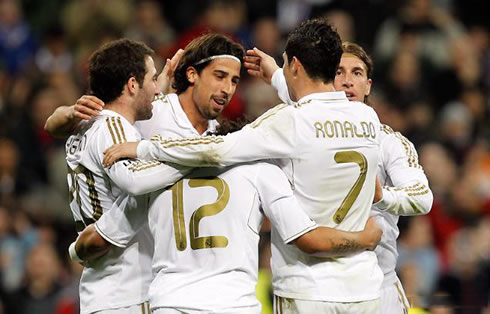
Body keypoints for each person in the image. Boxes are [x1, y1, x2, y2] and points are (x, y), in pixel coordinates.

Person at [102, 19, 384, 313]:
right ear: (191, 74)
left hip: (302, 288)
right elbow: (316, 113)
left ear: (296, 65)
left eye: (234, 80)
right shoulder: (368, 119)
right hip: (362, 287)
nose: (228, 89)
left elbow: (217, 150)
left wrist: (147, 148)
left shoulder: (275, 128)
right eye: (220, 76)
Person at [245, 41, 434, 313]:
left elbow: (422, 198)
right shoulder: (309, 125)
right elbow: (307, 108)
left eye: (356, 73)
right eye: (338, 72)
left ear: (368, 85)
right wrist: (276, 74)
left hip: (379, 285)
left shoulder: (389, 142)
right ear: (325, 80)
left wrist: (383, 196)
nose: (347, 82)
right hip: (315, 284)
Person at [63, 39, 189, 314]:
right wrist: (194, 158)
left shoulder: (83, 127)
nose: (157, 89)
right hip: (129, 289)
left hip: (101, 290)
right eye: (153, 80)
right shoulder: (114, 129)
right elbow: (136, 181)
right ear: (132, 85)